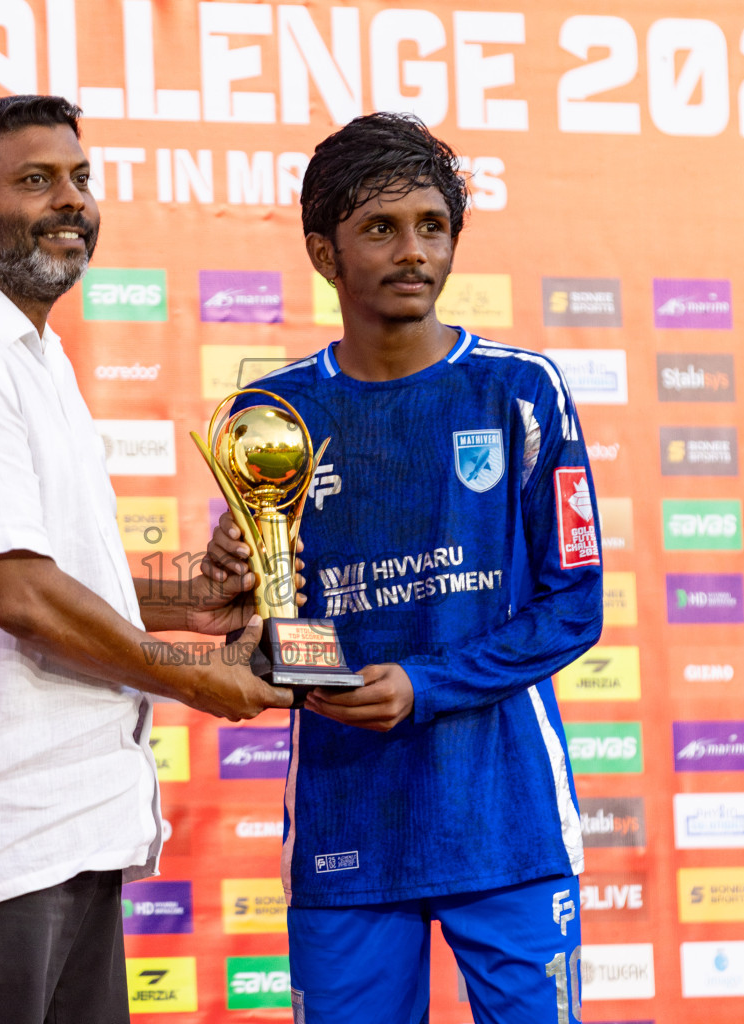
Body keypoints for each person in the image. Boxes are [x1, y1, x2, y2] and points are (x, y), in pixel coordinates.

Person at [0, 95, 292, 1024]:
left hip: (67, 826)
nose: (71, 201)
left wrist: (195, 600)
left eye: (81, 180)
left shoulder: (31, 356)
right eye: (36, 179)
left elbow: (52, 570)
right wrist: (197, 675)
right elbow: (21, 596)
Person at [204, 112, 603, 1024]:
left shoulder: (521, 391)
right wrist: (247, 597)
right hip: (350, 824)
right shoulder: (274, 411)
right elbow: (268, 635)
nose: (413, 250)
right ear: (322, 250)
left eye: (432, 225)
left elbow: (574, 605)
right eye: (380, 229)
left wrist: (423, 685)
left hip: (506, 819)